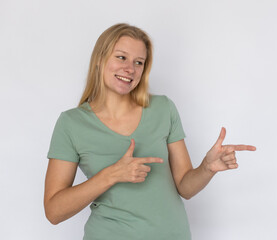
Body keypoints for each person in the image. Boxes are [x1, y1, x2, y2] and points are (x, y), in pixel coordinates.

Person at [44, 23, 256, 240]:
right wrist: (112, 175)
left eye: (139, 62)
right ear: (99, 59)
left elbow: (185, 186)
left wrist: (206, 168)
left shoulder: (163, 109)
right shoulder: (71, 123)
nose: (130, 69)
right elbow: (53, 211)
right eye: (121, 57)